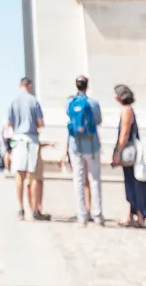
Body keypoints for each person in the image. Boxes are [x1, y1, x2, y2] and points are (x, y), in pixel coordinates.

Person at [6, 77, 50, 221]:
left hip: (18, 139)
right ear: (29, 86)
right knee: (34, 177)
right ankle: (35, 209)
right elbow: (40, 123)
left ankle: (21, 209)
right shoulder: (33, 101)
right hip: (31, 140)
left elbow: (9, 123)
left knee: (19, 176)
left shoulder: (13, 101)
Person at [64, 75, 104, 225]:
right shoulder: (93, 103)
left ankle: (82, 216)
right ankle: (98, 215)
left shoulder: (69, 103)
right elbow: (99, 121)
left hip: (75, 145)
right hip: (92, 145)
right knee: (95, 181)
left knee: (78, 181)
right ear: (87, 86)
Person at [111, 84, 146, 227]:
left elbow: (124, 133)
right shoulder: (127, 110)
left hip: (129, 152)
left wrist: (117, 152)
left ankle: (140, 216)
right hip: (130, 150)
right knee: (131, 182)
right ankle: (131, 215)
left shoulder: (126, 111)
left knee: (133, 183)